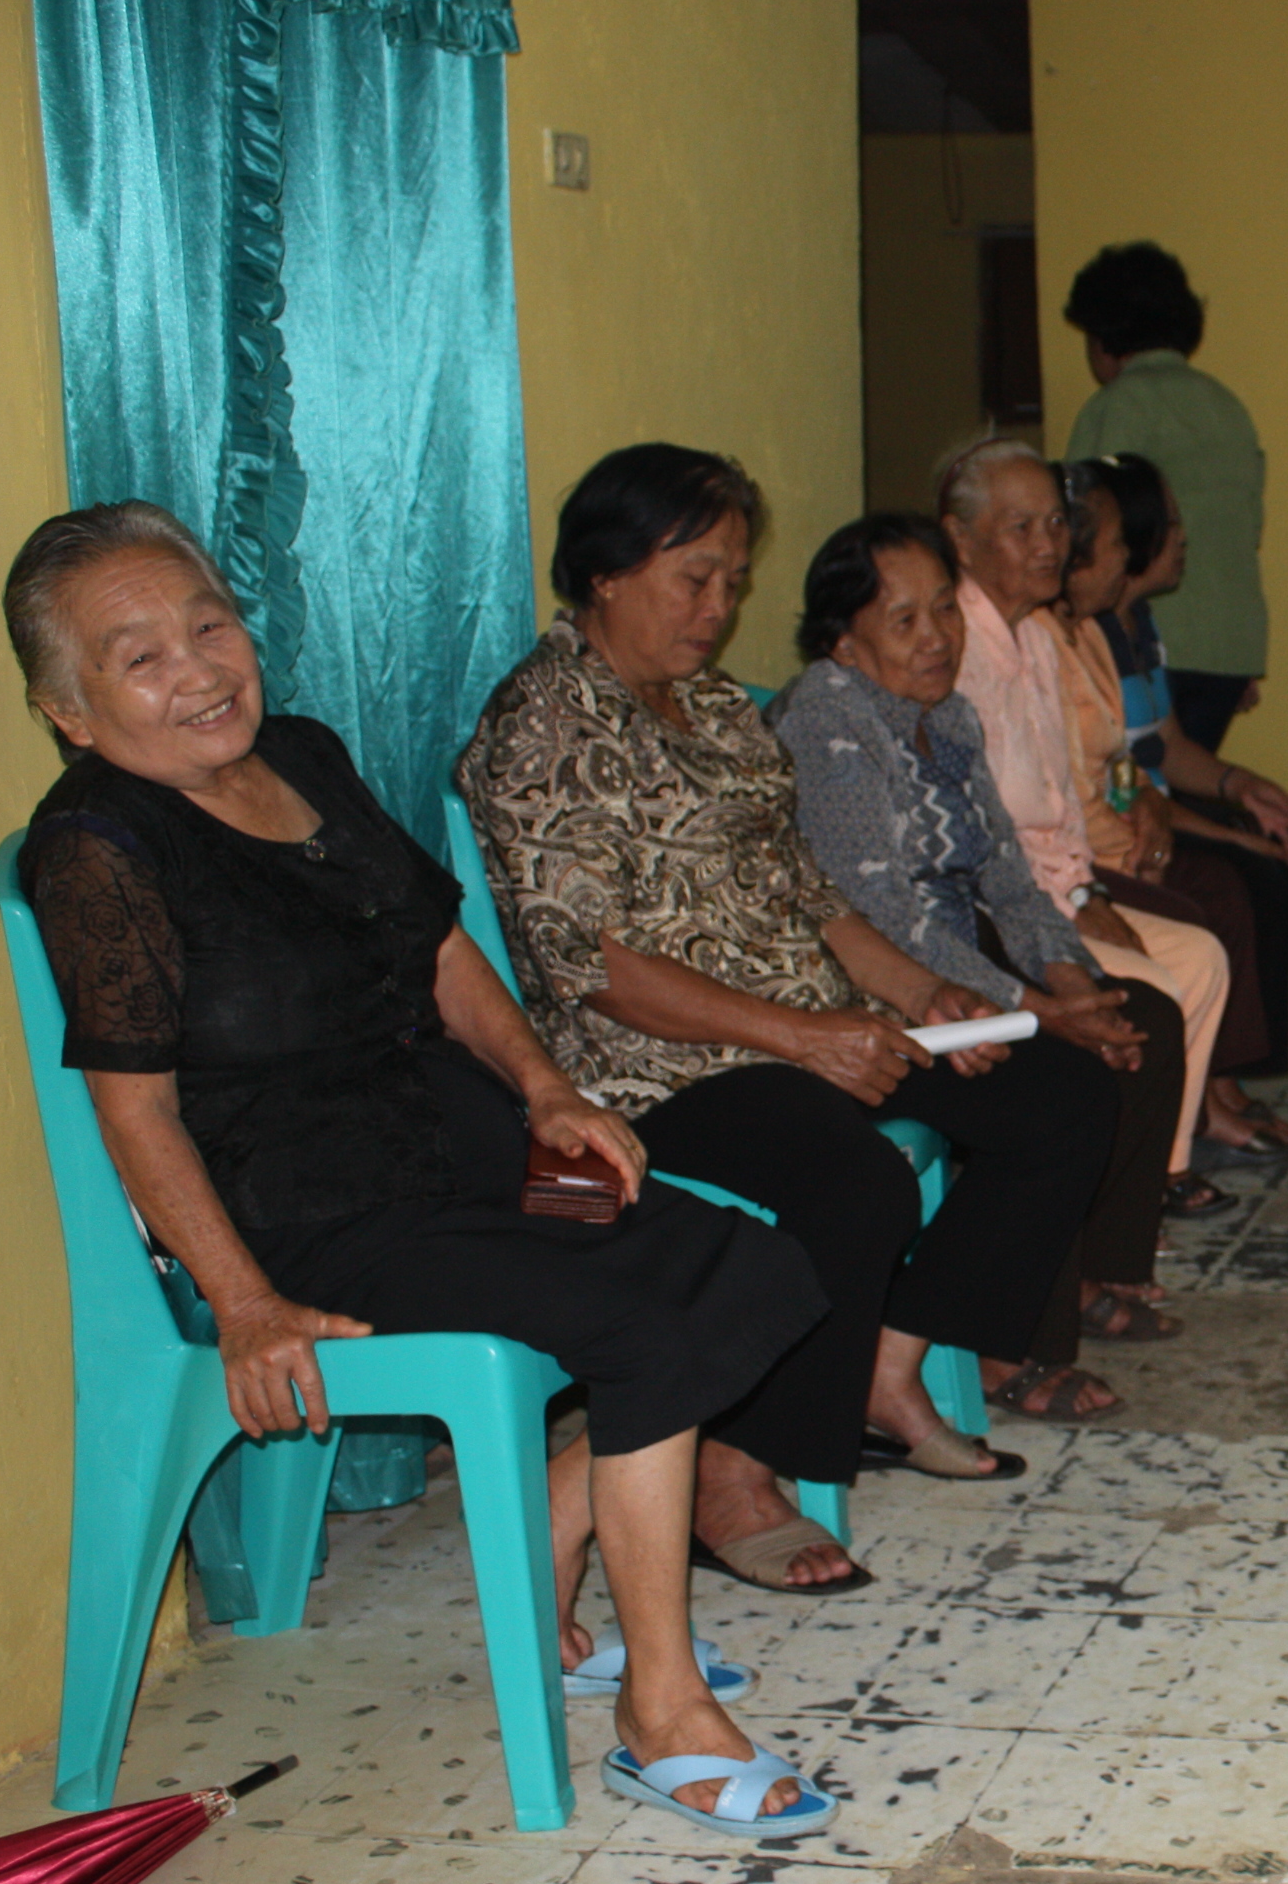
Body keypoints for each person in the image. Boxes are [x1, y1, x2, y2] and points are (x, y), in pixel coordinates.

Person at [8, 501, 838, 1839]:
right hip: (320, 1223)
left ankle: (557, 1531)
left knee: (742, 1256)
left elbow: (446, 954)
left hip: (474, 1154)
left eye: (208, 624)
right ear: (72, 711)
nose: (200, 668)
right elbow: (139, 1115)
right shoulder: (101, 851)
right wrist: (244, 1302)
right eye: (139, 654)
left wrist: (548, 1091)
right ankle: (661, 1712)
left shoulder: (304, 757)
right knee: (638, 1318)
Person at [461, 444, 1125, 1555]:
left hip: (819, 1030)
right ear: (609, 572)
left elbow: (814, 900)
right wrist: (805, 1038)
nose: (719, 608)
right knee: (853, 1179)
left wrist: (931, 995)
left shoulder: (717, 711)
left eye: (732, 581)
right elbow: (594, 964)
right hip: (664, 1066)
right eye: (696, 578)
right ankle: (734, 1470)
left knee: (1059, 1095)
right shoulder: (545, 725)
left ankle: (885, 1364)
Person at [770, 513, 1187, 1342]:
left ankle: (1100, 1273)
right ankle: (1013, 1341)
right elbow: (884, 914)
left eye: (946, 611)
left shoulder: (951, 715)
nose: (937, 639)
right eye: (905, 621)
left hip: (964, 956)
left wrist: (1071, 978)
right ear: (843, 643)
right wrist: (1031, 1006)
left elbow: (1006, 874)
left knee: (1142, 1019)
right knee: (1066, 1076)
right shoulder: (827, 720)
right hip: (880, 980)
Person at [936, 436, 1254, 1214]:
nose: (1048, 545)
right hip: (994, 904)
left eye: (1055, 525)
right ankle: (1112, 1200)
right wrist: (1078, 906)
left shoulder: (1038, 638)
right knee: (1148, 990)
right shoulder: (952, 650)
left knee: (1201, 956)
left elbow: (1067, 799)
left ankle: (1157, 1175)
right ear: (960, 537)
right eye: (1022, 528)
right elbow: (990, 834)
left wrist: (1088, 889)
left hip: (1063, 887)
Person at [1064, 453, 1288, 1124]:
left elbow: (1169, 747)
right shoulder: (1081, 634)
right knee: (1248, 882)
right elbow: (1118, 783)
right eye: (1169, 523)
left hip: (1154, 808)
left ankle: (1228, 1068)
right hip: (1126, 826)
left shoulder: (1137, 628)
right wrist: (1220, 827)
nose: (1181, 537)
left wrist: (1244, 787)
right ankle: (1216, 1084)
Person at [1063, 243, 1269, 753]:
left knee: (1137, 795)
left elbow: (1078, 528)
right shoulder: (1227, 406)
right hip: (1231, 643)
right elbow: (1246, 524)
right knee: (1185, 790)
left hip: (1144, 640)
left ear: (1106, 338)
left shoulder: (1116, 404)